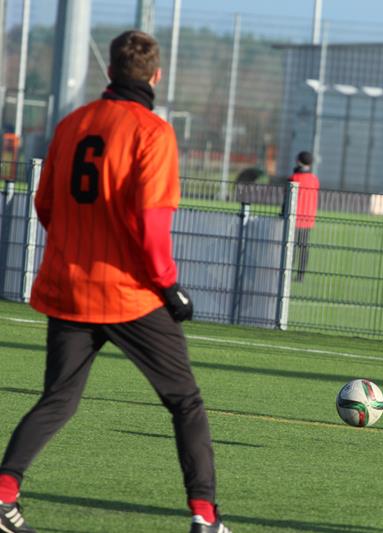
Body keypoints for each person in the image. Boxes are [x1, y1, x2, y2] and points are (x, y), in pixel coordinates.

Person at [0, 31, 231, 533]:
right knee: (185, 402)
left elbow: (45, 206)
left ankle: (2, 495)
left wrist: (76, 251)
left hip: (68, 286)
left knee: (58, 399)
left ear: (109, 72)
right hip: (129, 294)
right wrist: (169, 286)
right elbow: (151, 225)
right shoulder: (153, 132)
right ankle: (205, 516)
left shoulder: (72, 124)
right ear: (156, 76)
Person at [289, 151, 320, 282]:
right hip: (308, 218)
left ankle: (288, 271)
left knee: (290, 246)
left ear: (298, 161)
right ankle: (301, 275)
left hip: (294, 217)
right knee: (303, 247)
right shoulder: (314, 179)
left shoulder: (294, 178)